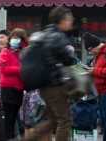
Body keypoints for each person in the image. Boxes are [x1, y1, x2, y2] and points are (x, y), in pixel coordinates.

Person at [22, 6, 75, 141]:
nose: (71, 21)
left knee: (53, 120)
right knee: (65, 121)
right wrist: (69, 57)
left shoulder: (46, 33)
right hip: (54, 85)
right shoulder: (56, 35)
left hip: (45, 85)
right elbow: (66, 57)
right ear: (62, 20)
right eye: (69, 18)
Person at [0, 28, 29, 140]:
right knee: (9, 118)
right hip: (8, 88)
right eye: (14, 38)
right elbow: (4, 69)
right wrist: (20, 69)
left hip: (19, 88)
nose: (15, 40)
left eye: (18, 38)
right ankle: (9, 138)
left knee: (16, 116)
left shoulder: (23, 53)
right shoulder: (5, 51)